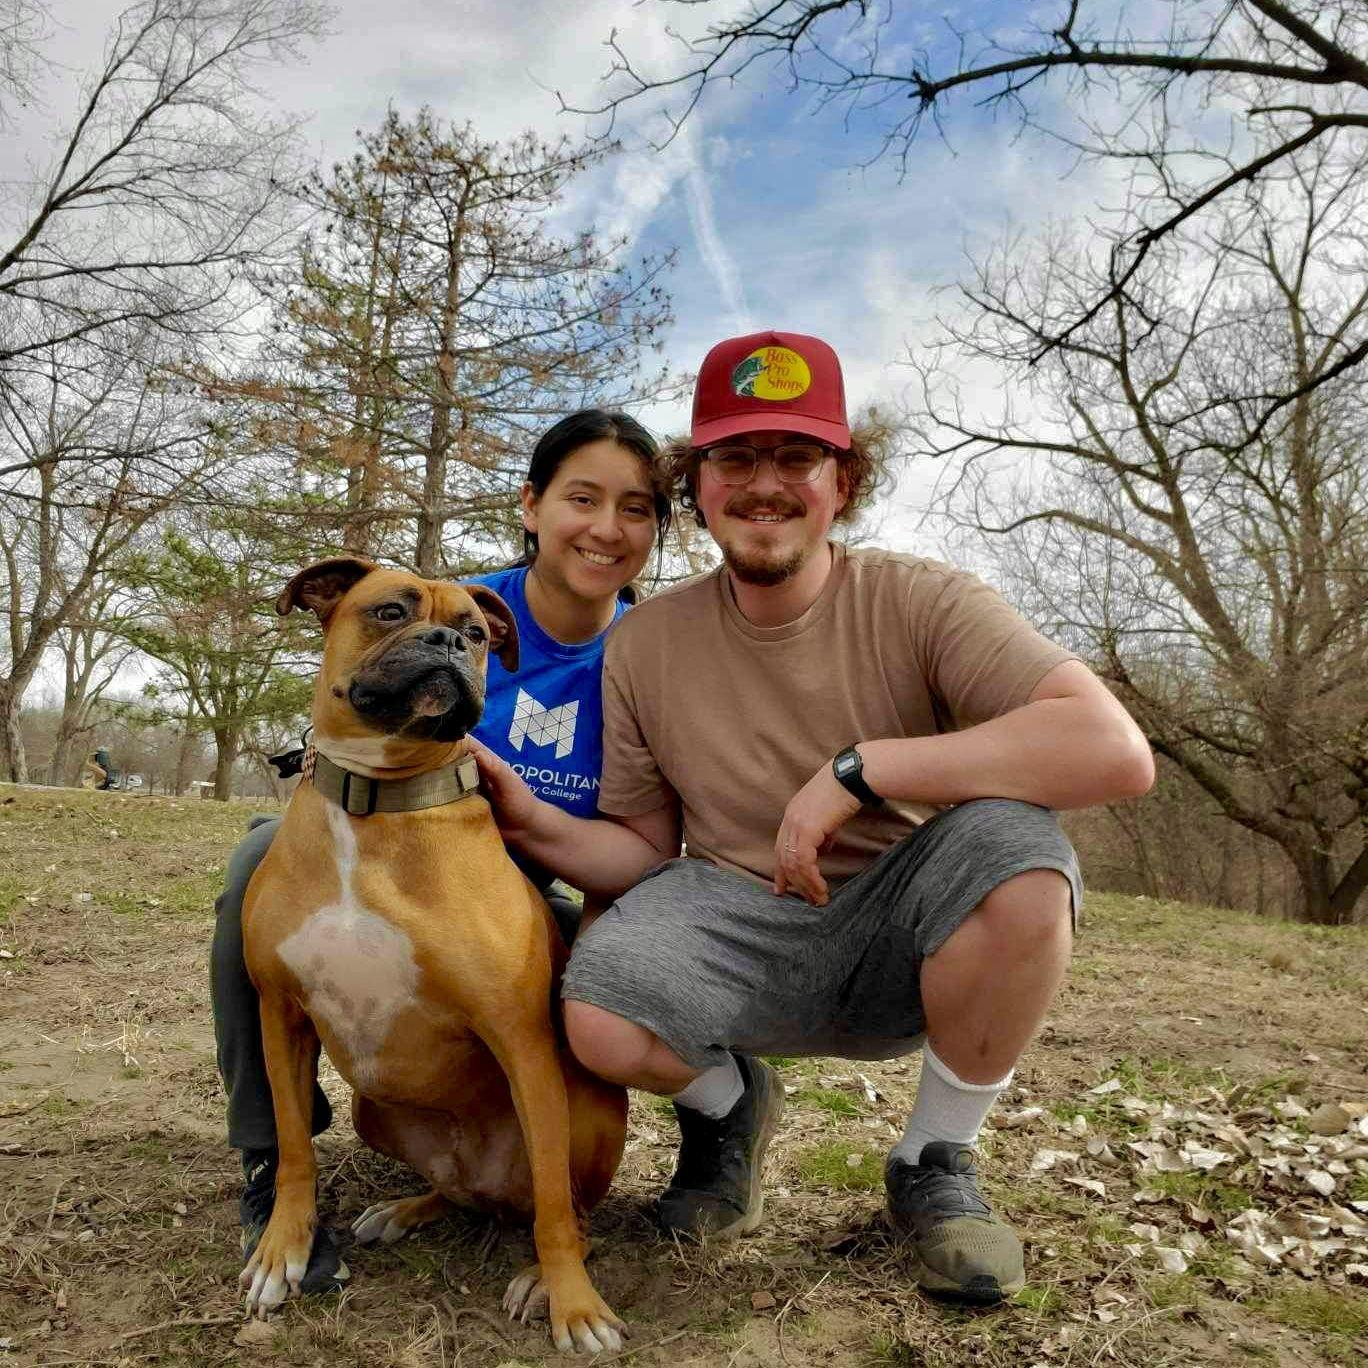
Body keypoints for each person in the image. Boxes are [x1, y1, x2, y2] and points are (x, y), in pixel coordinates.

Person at [473, 331, 1155, 1305]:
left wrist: (863, 771)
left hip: (902, 925)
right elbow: (639, 849)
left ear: (844, 481)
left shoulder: (924, 601)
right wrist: (525, 816)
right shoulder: (646, 642)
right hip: (730, 914)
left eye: (797, 457)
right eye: (734, 458)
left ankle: (934, 1161)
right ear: (697, 485)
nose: (765, 485)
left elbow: (1113, 751)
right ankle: (729, 1104)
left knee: (1017, 848)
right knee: (599, 1007)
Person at [209, 409, 672, 1291]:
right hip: (401, 837)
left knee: (625, 973)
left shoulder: (655, 651)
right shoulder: (463, 599)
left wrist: (539, 837)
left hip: (550, 876)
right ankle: (274, 1163)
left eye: (637, 507)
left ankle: (724, 1116)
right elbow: (353, 721)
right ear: (532, 506)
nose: (606, 527)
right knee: (255, 871)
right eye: (581, 498)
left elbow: (654, 841)